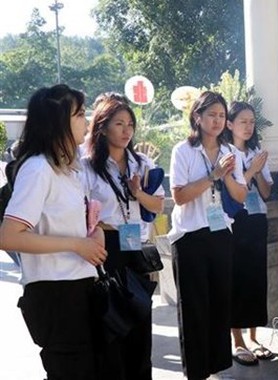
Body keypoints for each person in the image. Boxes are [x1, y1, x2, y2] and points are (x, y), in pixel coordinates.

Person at [0, 84, 107, 380]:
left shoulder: (69, 169)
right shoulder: (38, 169)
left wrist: (94, 234)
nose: (86, 121)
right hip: (55, 293)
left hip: (80, 286)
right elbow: (9, 236)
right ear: (58, 119)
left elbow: (78, 221)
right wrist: (76, 245)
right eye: (81, 114)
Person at [82, 94, 164, 379]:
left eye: (130, 124)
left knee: (141, 322)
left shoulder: (141, 163)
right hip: (107, 247)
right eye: (119, 124)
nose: (127, 130)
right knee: (112, 325)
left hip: (137, 246)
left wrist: (137, 192)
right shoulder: (87, 166)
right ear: (102, 128)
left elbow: (158, 205)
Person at [167, 91, 247, 380]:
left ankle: (216, 367)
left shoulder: (232, 153)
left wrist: (225, 175)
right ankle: (196, 372)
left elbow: (240, 196)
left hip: (220, 233)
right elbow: (179, 196)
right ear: (197, 117)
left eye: (221, 115)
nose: (217, 121)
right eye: (211, 114)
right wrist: (212, 175)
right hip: (190, 236)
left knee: (219, 302)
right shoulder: (183, 151)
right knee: (194, 307)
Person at [222, 101, 274, 366]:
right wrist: (250, 169)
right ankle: (237, 339)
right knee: (237, 278)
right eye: (242, 121)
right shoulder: (225, 153)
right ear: (229, 124)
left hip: (257, 219)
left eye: (251, 121)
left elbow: (265, 192)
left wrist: (259, 170)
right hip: (236, 220)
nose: (248, 126)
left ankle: (254, 336)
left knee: (256, 278)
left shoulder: (256, 151)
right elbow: (232, 188)